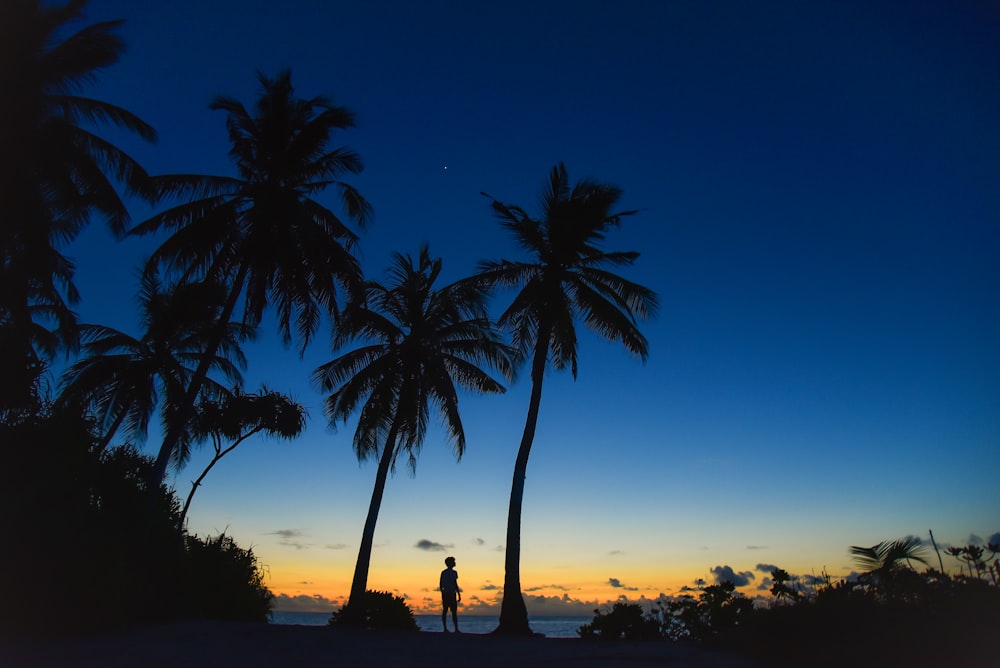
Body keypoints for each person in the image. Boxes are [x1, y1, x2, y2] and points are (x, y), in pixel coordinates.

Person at [440, 556, 461, 632]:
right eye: (453, 562)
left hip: (450, 593)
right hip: (449, 593)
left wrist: (458, 594)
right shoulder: (446, 573)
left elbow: (454, 583)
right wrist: (458, 594)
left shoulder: (451, 572)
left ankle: (452, 628)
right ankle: (448, 628)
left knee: (449, 611)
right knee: (449, 611)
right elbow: (442, 584)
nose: (455, 563)